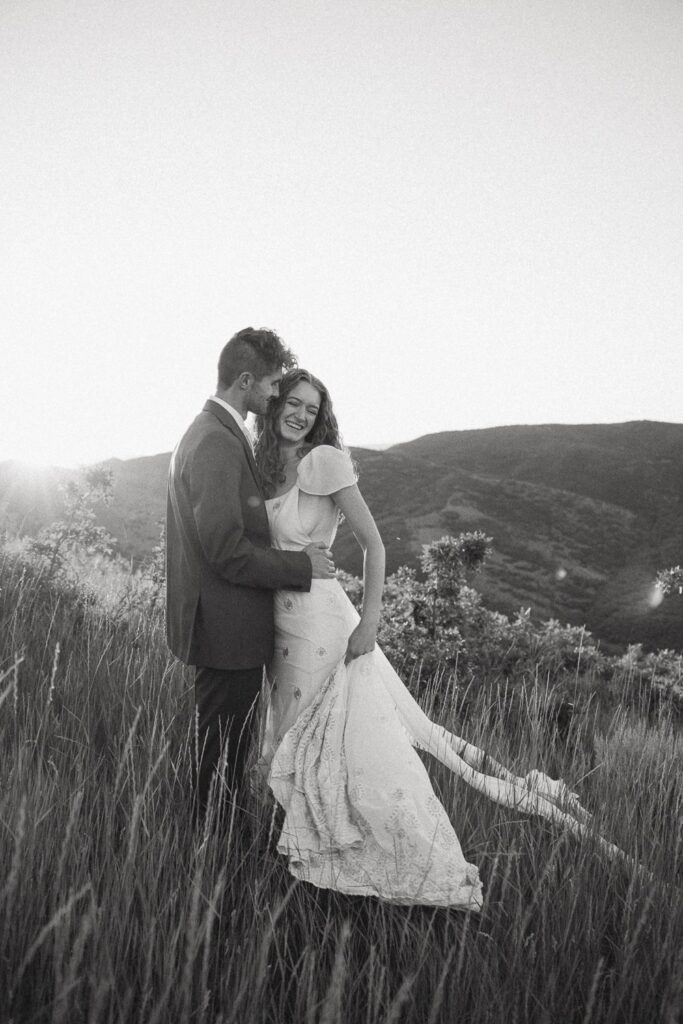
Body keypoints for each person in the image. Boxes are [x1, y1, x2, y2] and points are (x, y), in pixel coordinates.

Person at [255, 369, 629, 909]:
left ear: (321, 416)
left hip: (325, 627)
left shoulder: (324, 461)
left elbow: (375, 546)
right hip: (281, 626)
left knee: (341, 746)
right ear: (275, 405)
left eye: (311, 409)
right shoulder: (265, 465)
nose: (300, 416)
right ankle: (301, 850)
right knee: (290, 738)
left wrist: (371, 621)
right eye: (293, 403)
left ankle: (385, 858)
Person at [166, 329, 336, 823]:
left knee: (220, 750)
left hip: (222, 626)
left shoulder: (208, 431)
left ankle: (213, 834)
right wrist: (301, 566)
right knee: (221, 757)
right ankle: (213, 846)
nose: (275, 395)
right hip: (227, 630)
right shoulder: (217, 441)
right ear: (245, 381)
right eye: (271, 385)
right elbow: (225, 551)